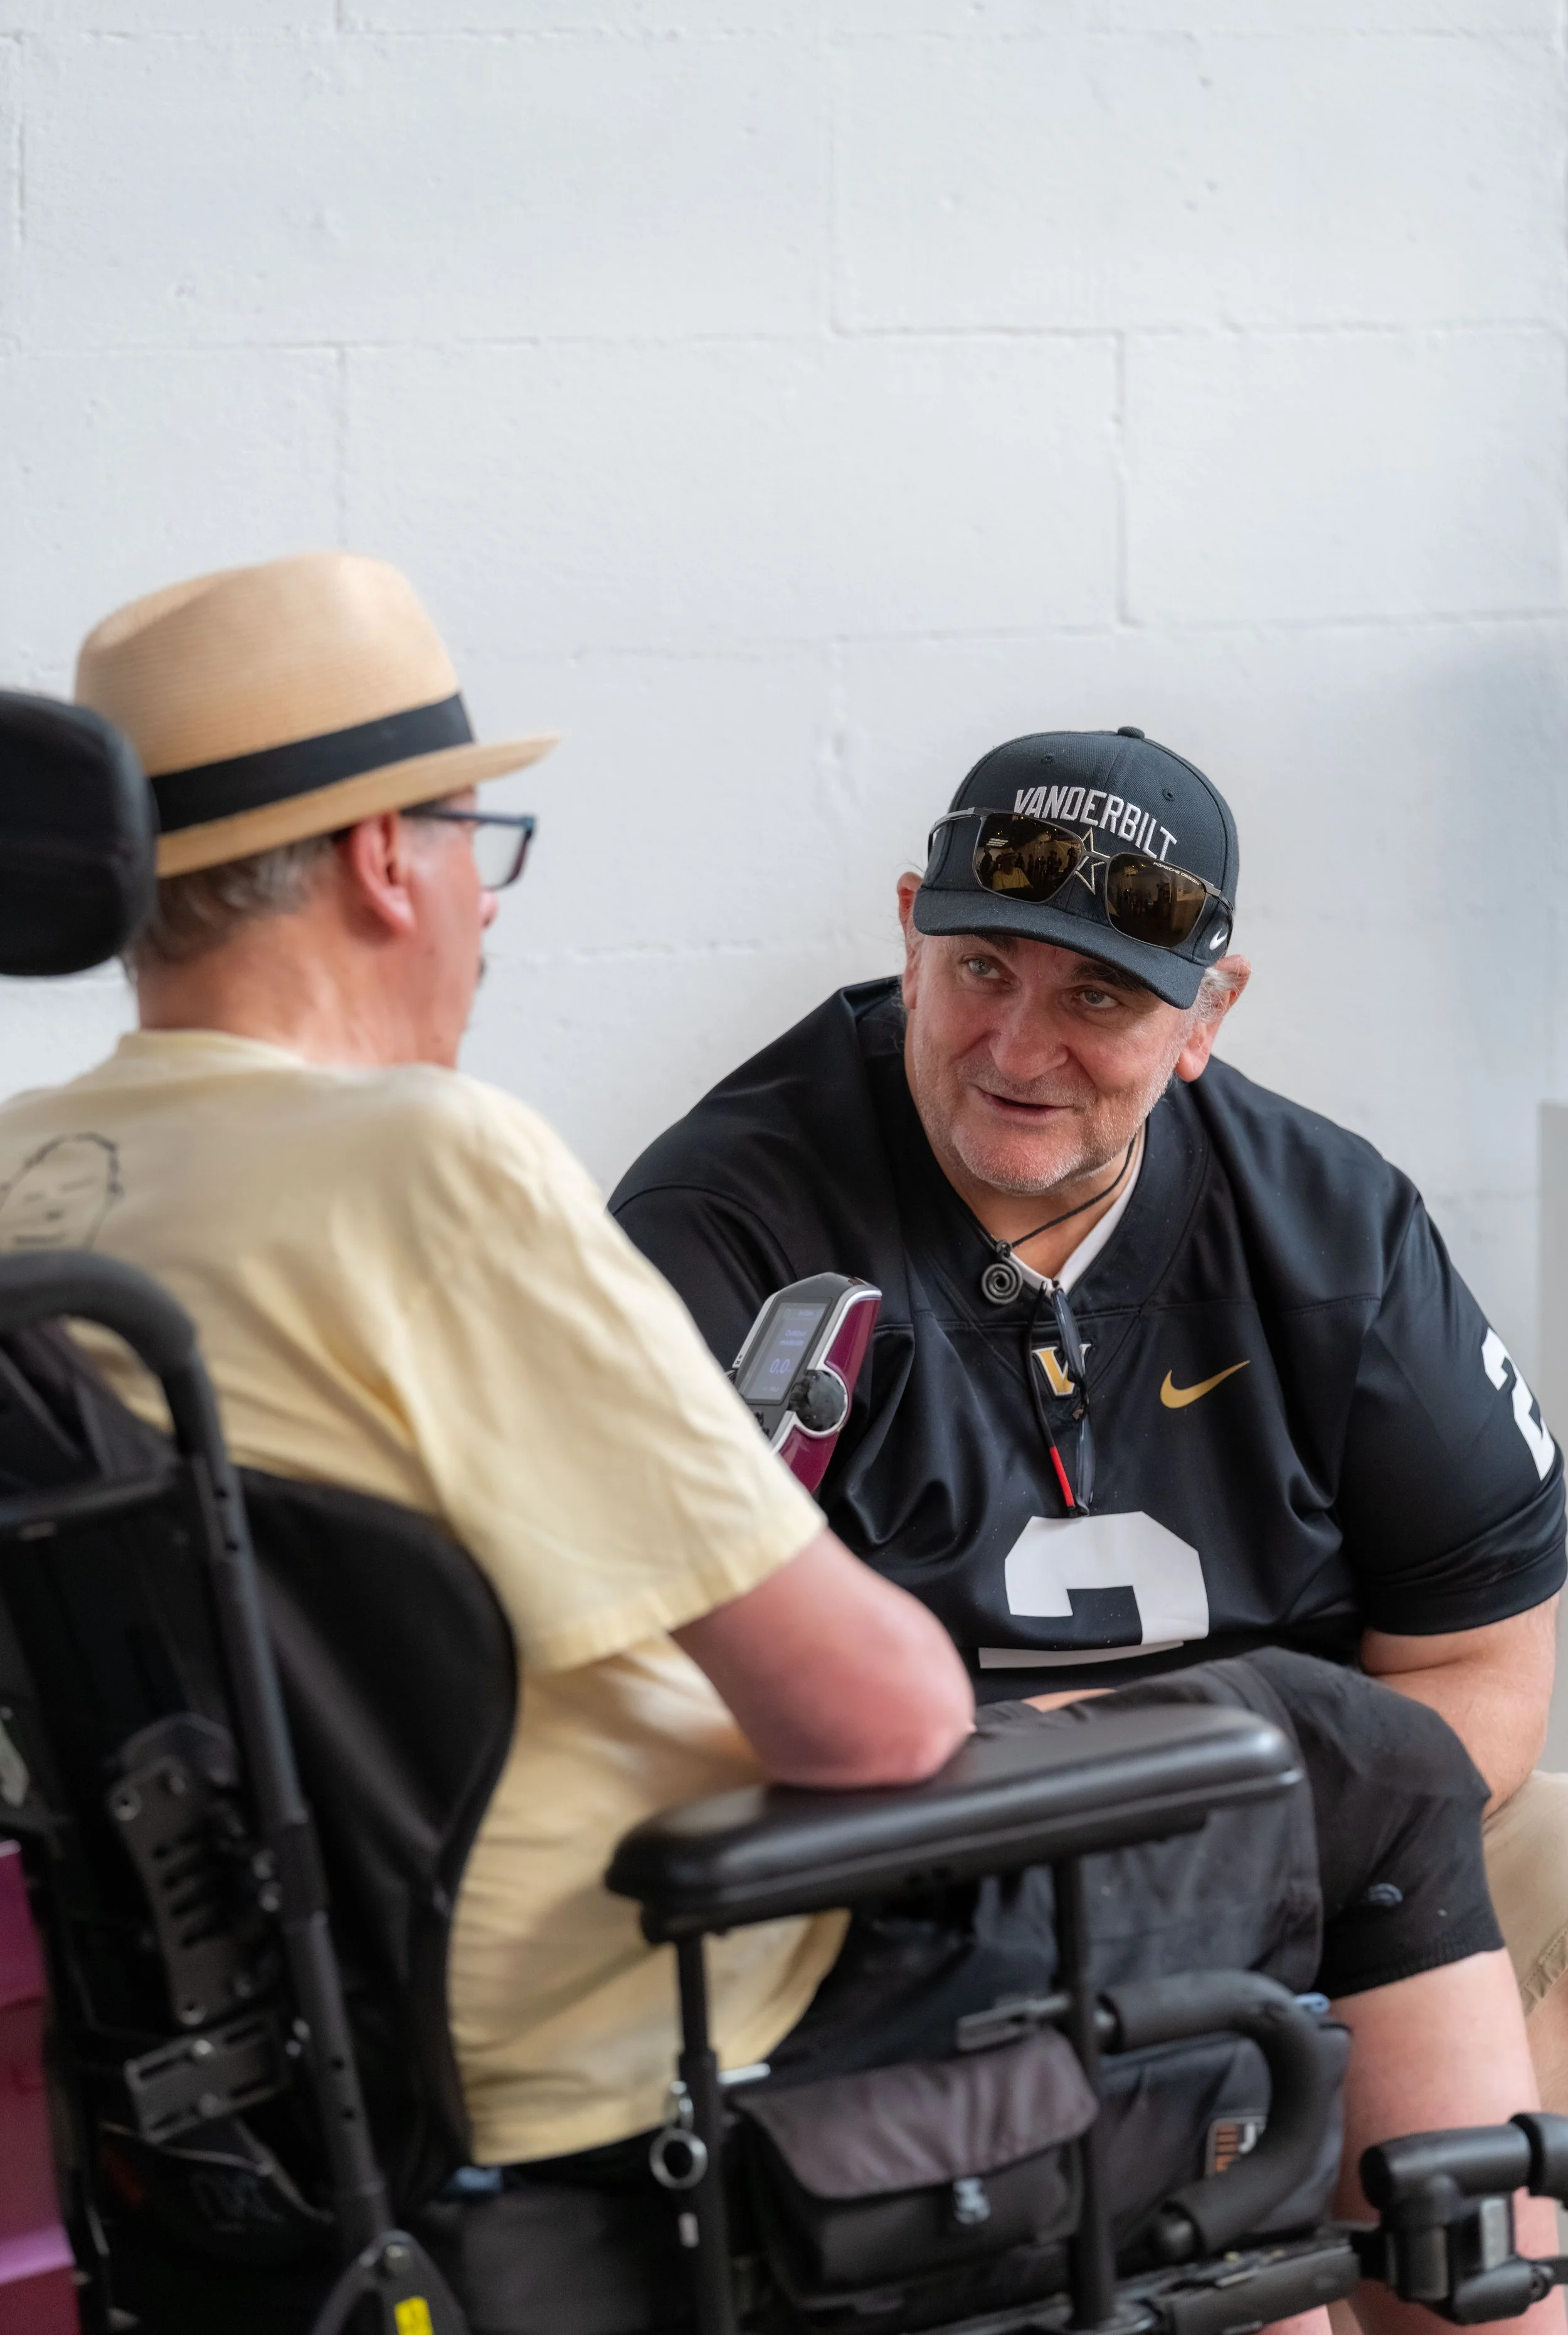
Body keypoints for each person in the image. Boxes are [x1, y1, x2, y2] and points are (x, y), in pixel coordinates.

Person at [3, 590, 1556, 2335]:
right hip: (674, 2016)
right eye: (472, 841)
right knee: (1359, 1765)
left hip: (304, 2062)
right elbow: (877, 1720)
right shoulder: (429, 1168)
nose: (479, 903)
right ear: (384, 858)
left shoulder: (26, 1186)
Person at [611, 726, 1568, 2111]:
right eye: (982, 968)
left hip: (1323, 1827)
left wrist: (1231, 1866)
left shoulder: (1330, 1226)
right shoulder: (725, 1231)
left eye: (1102, 998)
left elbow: (1481, 1667)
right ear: (907, 936)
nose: (1018, 1046)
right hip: (924, 1892)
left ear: (1205, 1017)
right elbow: (661, 1713)